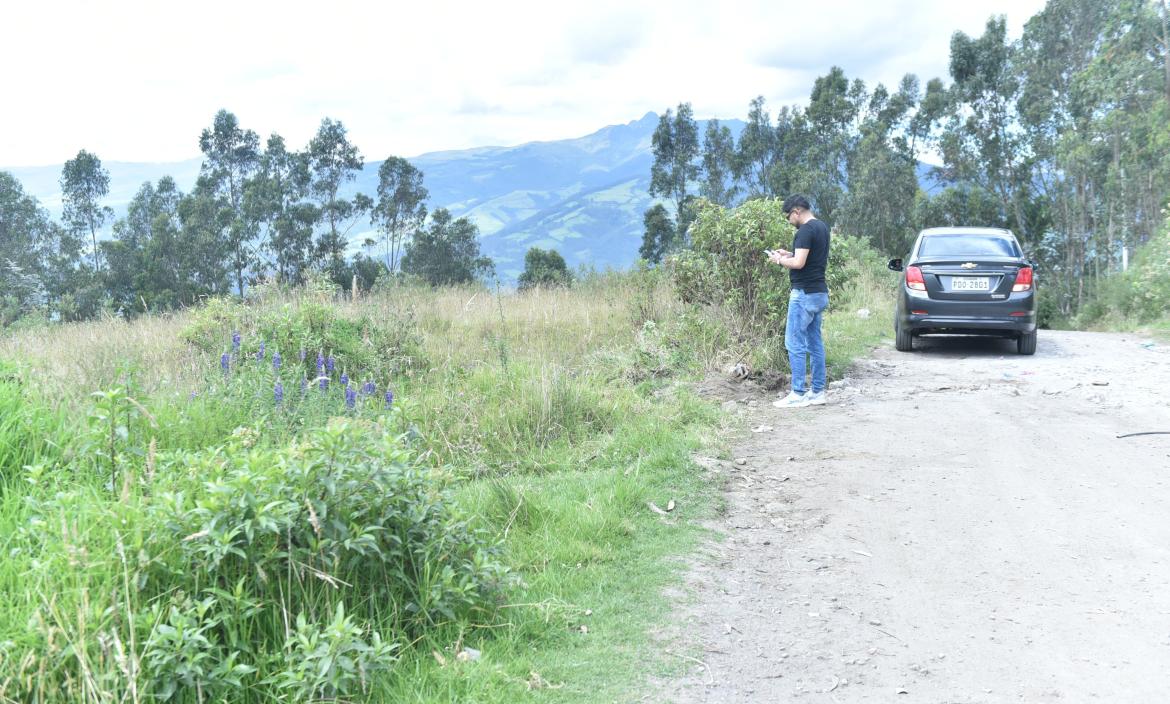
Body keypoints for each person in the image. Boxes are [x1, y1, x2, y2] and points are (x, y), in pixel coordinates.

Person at [767, 195, 830, 408]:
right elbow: (809, 257)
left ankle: (798, 393)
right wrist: (789, 253)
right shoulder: (821, 227)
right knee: (814, 343)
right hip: (819, 292)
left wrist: (779, 259)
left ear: (796, 211)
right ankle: (818, 392)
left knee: (794, 343)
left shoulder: (804, 231)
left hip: (803, 293)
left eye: (788, 216)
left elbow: (799, 263)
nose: (788, 221)